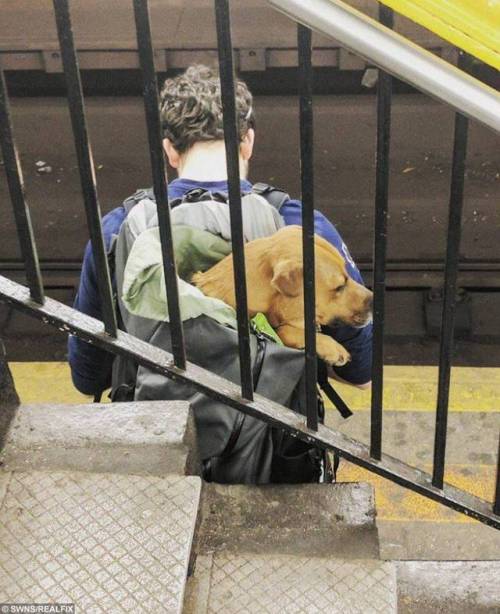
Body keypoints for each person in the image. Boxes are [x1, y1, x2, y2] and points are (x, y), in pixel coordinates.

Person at [68, 64, 372, 399]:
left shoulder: (116, 228)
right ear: (248, 142)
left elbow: (88, 376)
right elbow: (363, 372)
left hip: (157, 429)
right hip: (271, 435)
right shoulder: (298, 227)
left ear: (169, 149)